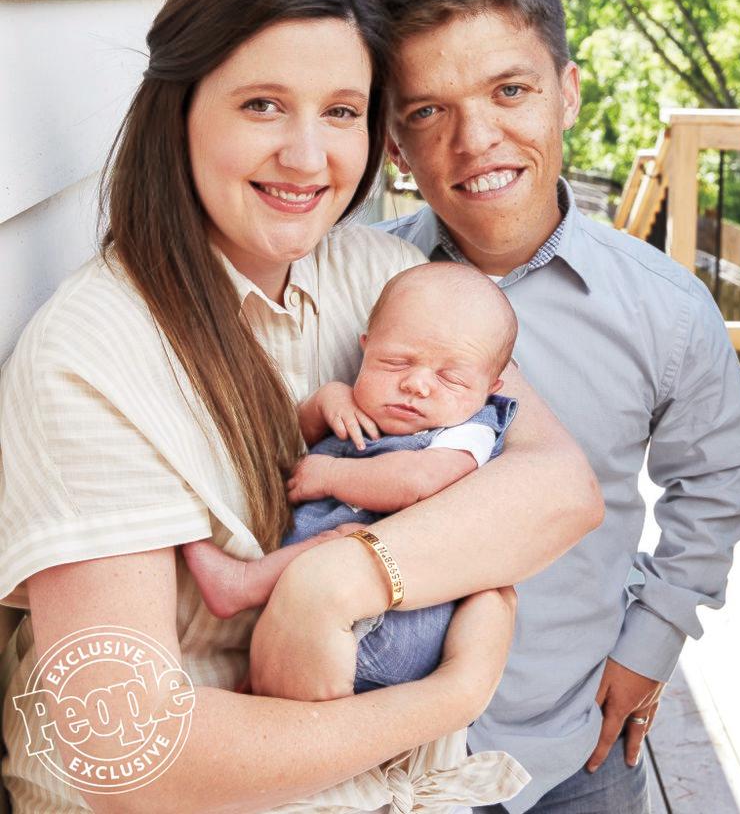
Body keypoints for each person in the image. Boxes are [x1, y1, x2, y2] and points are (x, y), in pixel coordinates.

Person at [0, 0, 603, 814]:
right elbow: (129, 749)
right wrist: (444, 699)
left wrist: (343, 578)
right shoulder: (94, 353)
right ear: (179, 110)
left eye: (341, 111)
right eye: (261, 104)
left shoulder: (377, 278)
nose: (307, 156)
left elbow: (559, 488)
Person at [360, 0, 740, 814]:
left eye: (510, 90)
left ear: (566, 91)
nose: (476, 139)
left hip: (569, 738)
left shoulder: (664, 308)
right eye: (427, 111)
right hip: (373, 750)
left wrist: (649, 643)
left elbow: (718, 480)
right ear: (392, 141)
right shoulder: (356, 286)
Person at [184, 261, 520, 696]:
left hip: (388, 624)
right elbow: (292, 449)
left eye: (450, 378)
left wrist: (333, 476)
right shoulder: (367, 407)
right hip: (308, 620)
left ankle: (243, 586)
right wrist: (326, 402)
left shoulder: (469, 430)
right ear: (365, 347)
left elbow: (414, 481)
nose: (417, 384)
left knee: (347, 543)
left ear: (490, 386)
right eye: (395, 361)